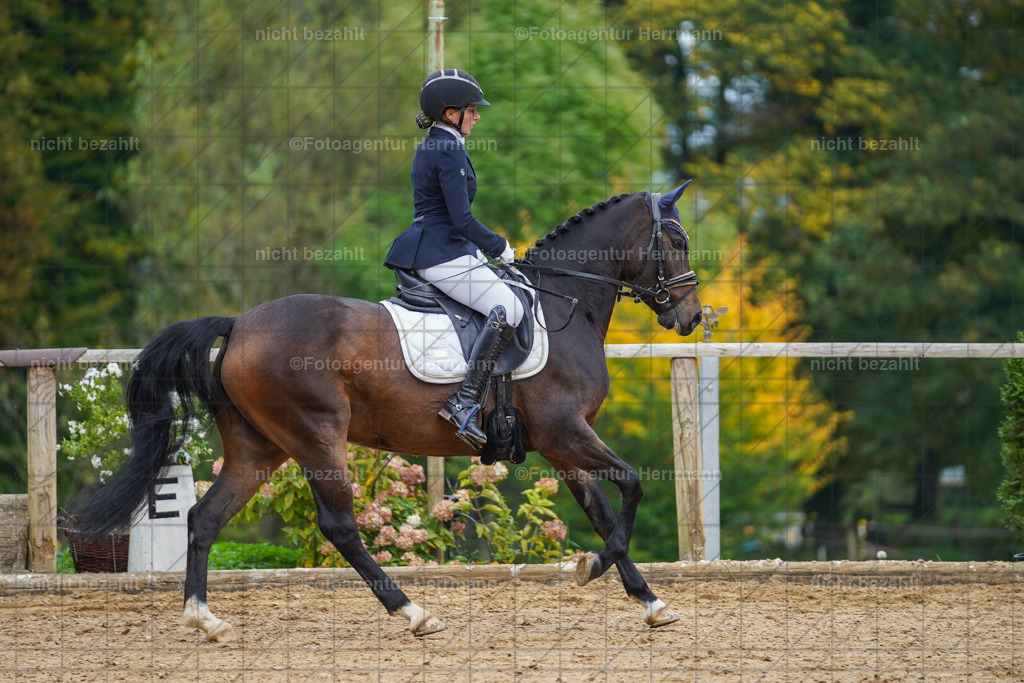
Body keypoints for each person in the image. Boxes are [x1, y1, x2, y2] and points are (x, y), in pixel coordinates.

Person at [384, 69, 525, 449]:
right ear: (451, 113)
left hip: (445, 247)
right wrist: (499, 247)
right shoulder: (446, 149)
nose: (477, 116)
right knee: (510, 309)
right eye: (472, 110)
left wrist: (479, 251)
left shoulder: (439, 144)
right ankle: (464, 402)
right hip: (440, 252)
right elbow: (461, 218)